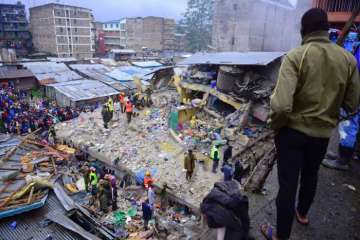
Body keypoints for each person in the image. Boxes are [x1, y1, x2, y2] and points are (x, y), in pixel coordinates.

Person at [261, 8, 360, 240]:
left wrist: (276, 125)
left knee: (287, 184)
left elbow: (282, 106)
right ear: (326, 29)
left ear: (303, 30)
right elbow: (353, 103)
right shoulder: (347, 58)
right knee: (311, 174)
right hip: (322, 135)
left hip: (292, 133)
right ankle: (302, 213)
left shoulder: (297, 56)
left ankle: (281, 235)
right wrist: (332, 115)